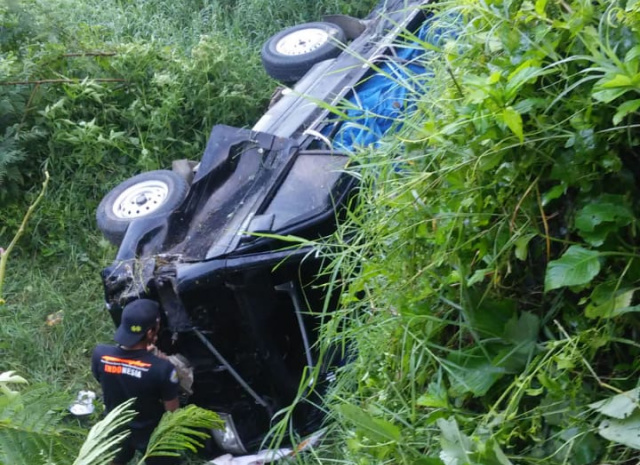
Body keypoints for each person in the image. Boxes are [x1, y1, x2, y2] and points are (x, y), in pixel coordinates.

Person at [92, 299, 180, 465]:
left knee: (116, 460)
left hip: (116, 427)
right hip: (151, 435)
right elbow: (172, 414)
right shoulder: (163, 369)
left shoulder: (100, 354)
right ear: (149, 333)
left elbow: (102, 378)